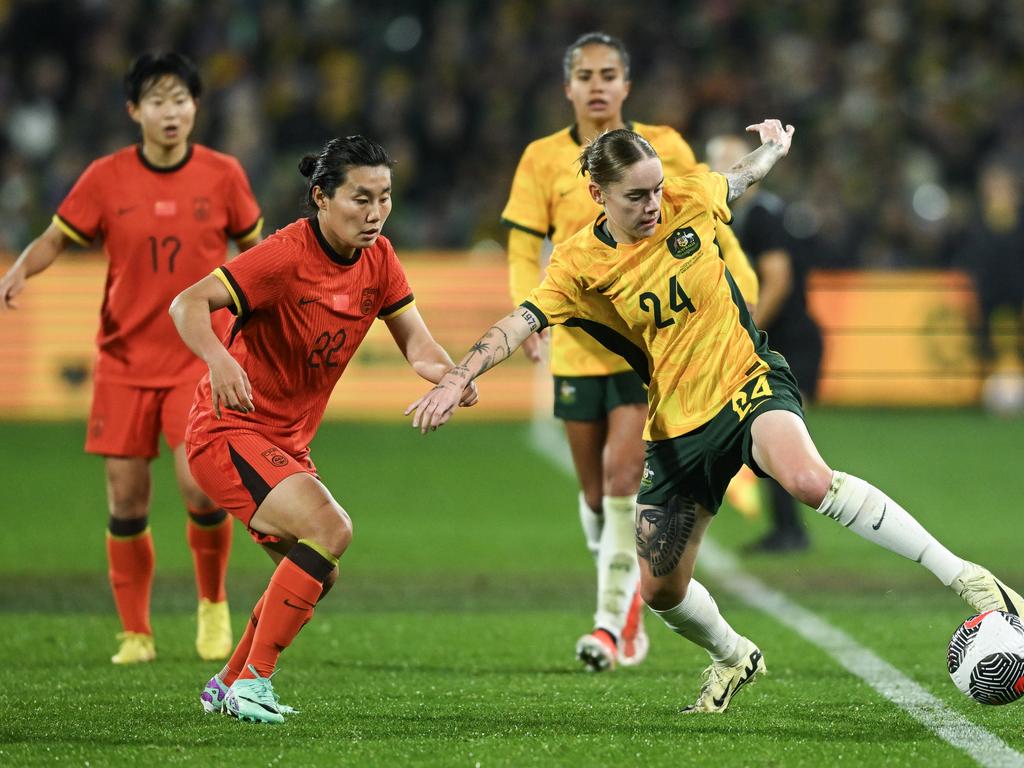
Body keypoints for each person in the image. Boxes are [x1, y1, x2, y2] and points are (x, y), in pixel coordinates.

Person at [409, 121, 1024, 712]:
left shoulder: (684, 198)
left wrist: (773, 152)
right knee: (660, 590)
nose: (653, 203)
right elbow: (521, 321)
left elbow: (737, 177)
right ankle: (732, 655)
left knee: (809, 480)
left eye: (655, 188)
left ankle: (966, 578)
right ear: (597, 195)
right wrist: (461, 374)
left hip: (746, 381)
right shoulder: (576, 265)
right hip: (677, 425)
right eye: (636, 195)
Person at [169, 135, 477, 724]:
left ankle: (228, 682)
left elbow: (417, 343)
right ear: (321, 197)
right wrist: (219, 357)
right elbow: (186, 304)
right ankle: (255, 682)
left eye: (384, 198)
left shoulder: (380, 258)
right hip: (227, 431)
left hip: (284, 443)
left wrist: (452, 376)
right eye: (360, 199)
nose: (375, 212)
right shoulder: (283, 256)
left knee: (320, 569)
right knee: (330, 528)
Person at [501, 31, 761, 673]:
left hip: (649, 346)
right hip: (579, 346)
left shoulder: (664, 146)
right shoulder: (540, 158)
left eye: (608, 73)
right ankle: (624, 604)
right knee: (595, 496)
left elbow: (708, 223)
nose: (597, 84)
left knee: (624, 481)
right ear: (568, 87)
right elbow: (521, 244)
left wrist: (743, 294)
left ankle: (613, 625)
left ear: (626, 84)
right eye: (584, 74)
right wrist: (528, 312)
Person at [0, 52, 263, 665]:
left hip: (198, 356)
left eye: (181, 100)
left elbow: (257, 253)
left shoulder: (223, 175)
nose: (171, 113)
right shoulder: (105, 177)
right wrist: (18, 269)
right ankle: (136, 633)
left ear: (195, 107)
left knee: (199, 490)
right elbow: (57, 238)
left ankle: (212, 606)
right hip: (123, 360)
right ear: (133, 111)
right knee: (126, 499)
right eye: (157, 101)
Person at [707, 134, 825, 553]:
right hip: (781, 339)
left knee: (777, 432)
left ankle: (792, 531)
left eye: (729, 161)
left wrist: (746, 333)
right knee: (769, 435)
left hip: (789, 341)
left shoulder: (759, 216)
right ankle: (788, 530)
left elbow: (778, 280)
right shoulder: (733, 217)